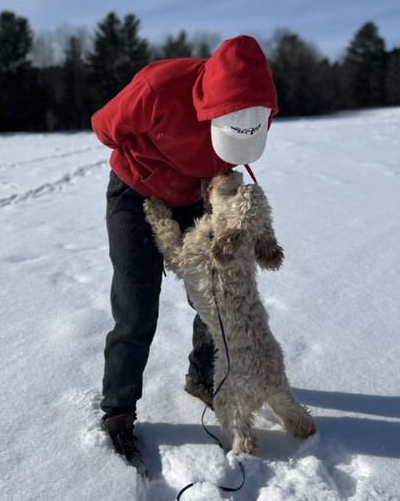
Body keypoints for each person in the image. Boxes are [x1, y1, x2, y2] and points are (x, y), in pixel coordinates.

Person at [91, 35, 279, 468]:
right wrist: (152, 161)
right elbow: (105, 128)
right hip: (137, 193)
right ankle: (118, 410)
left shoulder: (259, 105)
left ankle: (202, 377)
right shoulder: (159, 87)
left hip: (199, 195)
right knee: (136, 307)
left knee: (216, 298)